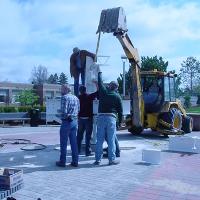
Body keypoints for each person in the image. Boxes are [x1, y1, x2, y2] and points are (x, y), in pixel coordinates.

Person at [94, 72, 123, 165]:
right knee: (111, 140)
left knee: (99, 140)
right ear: (116, 88)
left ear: (109, 86)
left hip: (101, 117)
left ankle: (98, 159)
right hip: (111, 118)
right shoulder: (117, 97)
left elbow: (100, 82)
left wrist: (99, 73)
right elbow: (120, 111)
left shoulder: (103, 92)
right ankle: (111, 160)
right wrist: (119, 123)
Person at [56, 84, 80, 167]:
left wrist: (58, 114)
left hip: (66, 122)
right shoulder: (76, 98)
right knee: (74, 143)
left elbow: (64, 111)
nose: (61, 91)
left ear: (65, 89)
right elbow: (78, 110)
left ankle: (62, 161)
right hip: (75, 121)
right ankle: (75, 161)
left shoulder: (64, 97)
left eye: (61, 89)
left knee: (63, 143)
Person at [77, 85, 98, 156]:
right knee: (88, 136)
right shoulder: (89, 96)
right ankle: (87, 151)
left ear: (80, 91)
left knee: (79, 135)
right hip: (88, 119)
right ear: (85, 90)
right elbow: (98, 92)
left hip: (80, 119)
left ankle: (77, 150)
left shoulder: (78, 97)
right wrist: (96, 83)